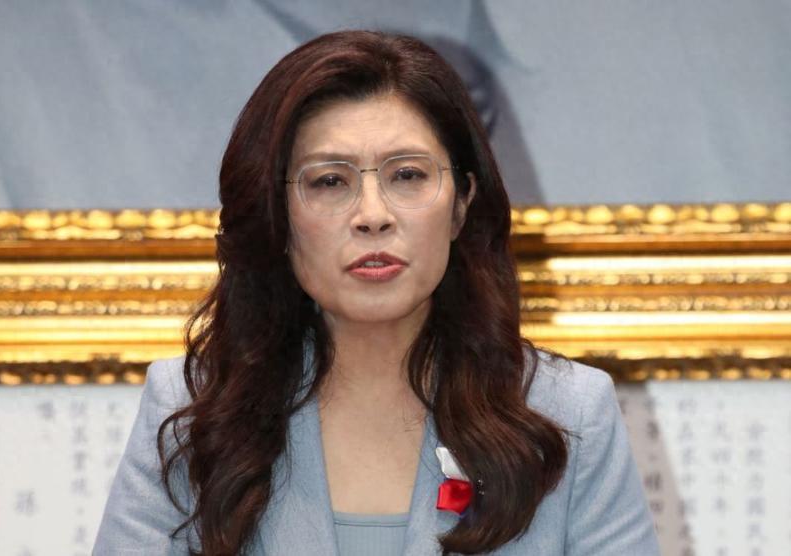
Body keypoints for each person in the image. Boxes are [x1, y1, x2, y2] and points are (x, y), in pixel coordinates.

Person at [93, 30, 660, 555]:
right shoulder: (194, 409)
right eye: (329, 181)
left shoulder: (568, 413)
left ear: (462, 203)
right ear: (277, 216)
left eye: (407, 175)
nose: (372, 215)